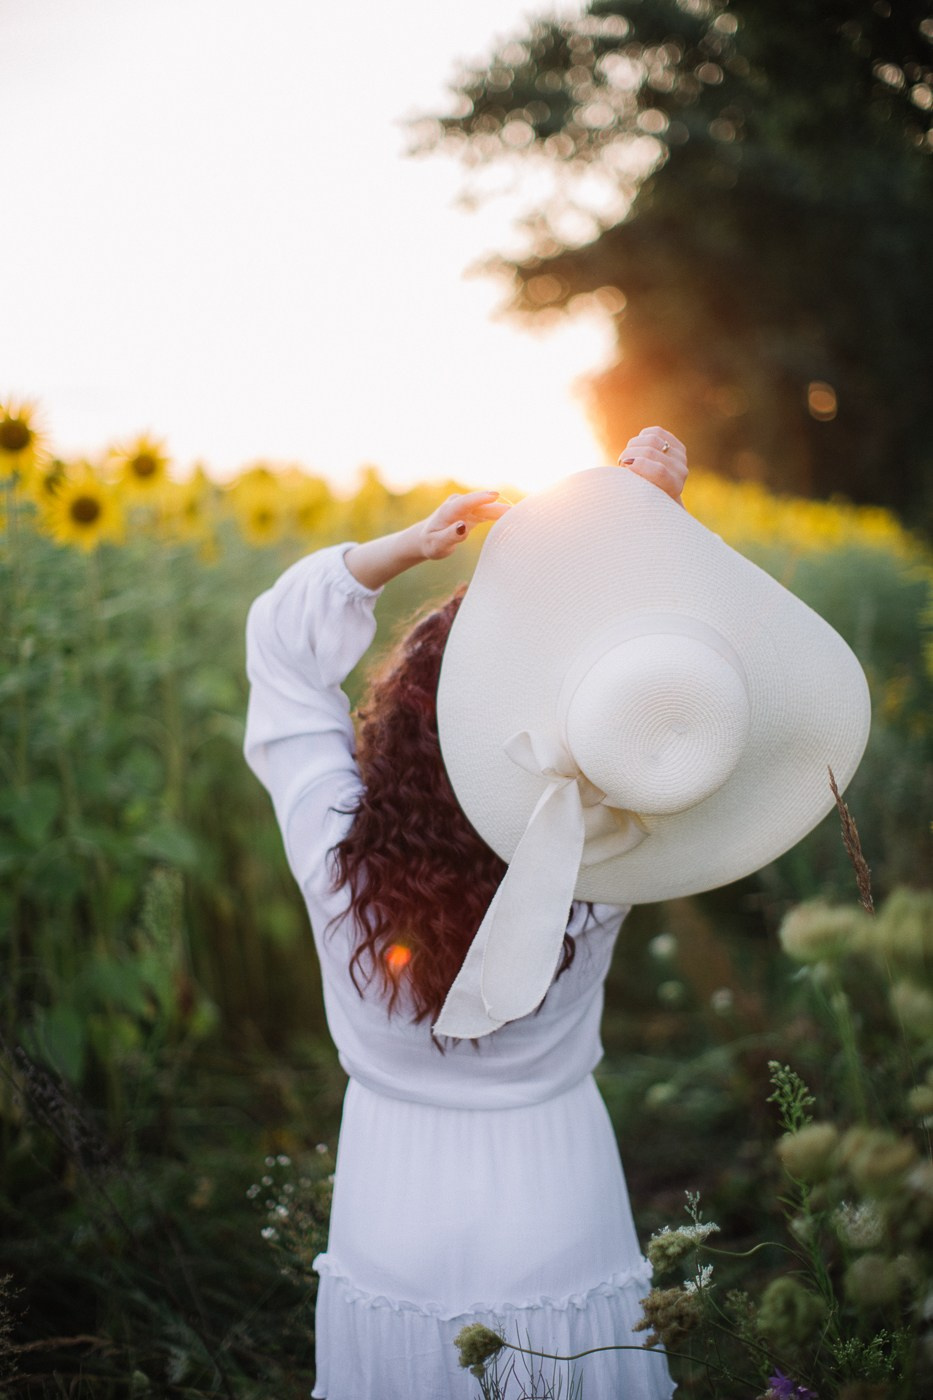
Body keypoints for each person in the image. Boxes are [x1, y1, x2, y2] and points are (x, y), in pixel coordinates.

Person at [243, 426, 870, 1400]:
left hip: (393, 1204)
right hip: (558, 1193)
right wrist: (643, 517)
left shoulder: (335, 850)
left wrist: (405, 546)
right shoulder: (610, 843)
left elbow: (282, 650)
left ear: (411, 711)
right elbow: (671, 713)